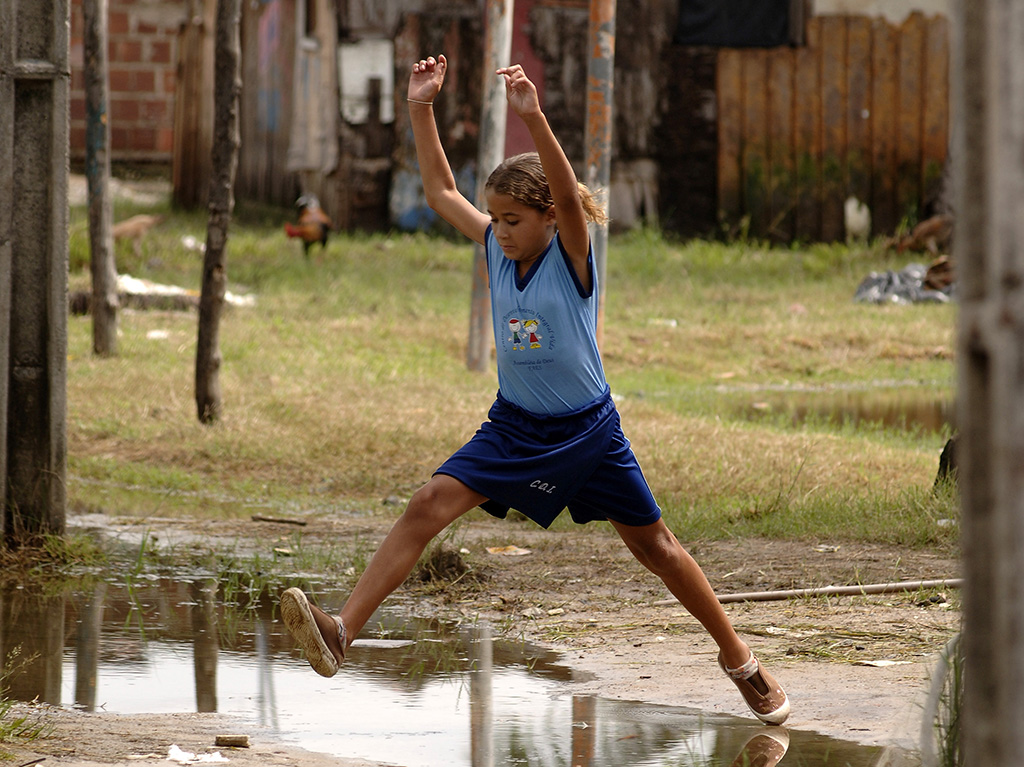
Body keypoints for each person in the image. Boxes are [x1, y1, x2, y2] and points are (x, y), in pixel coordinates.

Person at [280, 54, 790, 726]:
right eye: (496, 217)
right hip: (515, 428)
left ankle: (741, 662)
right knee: (428, 501)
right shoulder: (497, 245)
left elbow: (562, 182)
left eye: (515, 218)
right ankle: (342, 630)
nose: (502, 229)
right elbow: (438, 193)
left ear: (551, 217)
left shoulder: (573, 256)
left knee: (656, 548)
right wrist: (420, 106)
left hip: (589, 434)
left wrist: (533, 115)